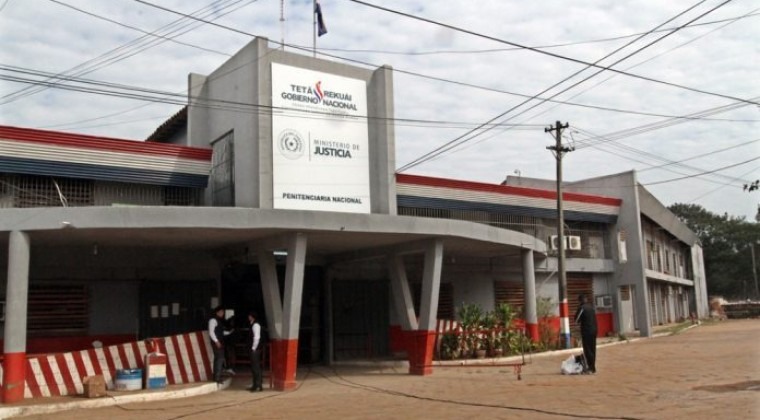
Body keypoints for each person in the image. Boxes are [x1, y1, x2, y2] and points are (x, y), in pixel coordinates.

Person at [575, 294, 597, 374]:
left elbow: (576, 320)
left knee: (587, 350)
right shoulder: (591, 307)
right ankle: (593, 367)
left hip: (586, 331)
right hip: (594, 330)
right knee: (593, 349)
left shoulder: (582, 308)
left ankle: (590, 368)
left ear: (580, 301)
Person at [208, 305, 231, 384]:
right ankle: (217, 377)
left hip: (220, 341)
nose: (223, 314)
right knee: (219, 358)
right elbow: (211, 332)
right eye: (222, 312)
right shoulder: (213, 320)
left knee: (219, 358)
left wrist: (229, 333)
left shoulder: (219, 320)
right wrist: (216, 341)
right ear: (218, 312)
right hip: (217, 342)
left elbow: (220, 332)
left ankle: (217, 376)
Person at [248, 311, 263, 392]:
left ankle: (258, 385)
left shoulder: (255, 325)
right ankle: (256, 384)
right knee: (254, 367)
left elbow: (256, 337)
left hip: (255, 349)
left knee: (256, 367)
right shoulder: (253, 324)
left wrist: (253, 348)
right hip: (254, 348)